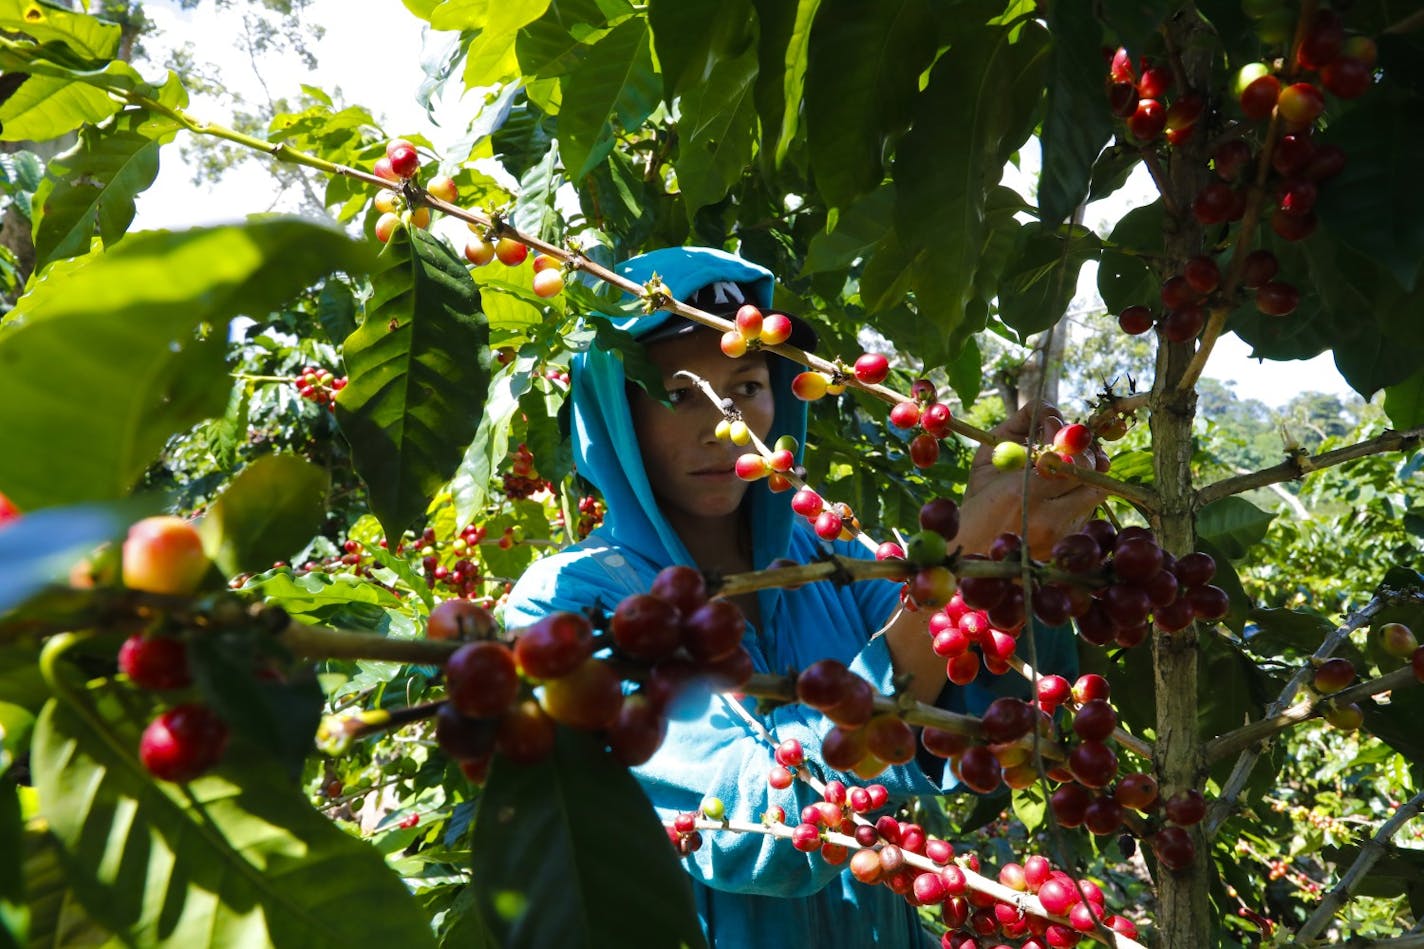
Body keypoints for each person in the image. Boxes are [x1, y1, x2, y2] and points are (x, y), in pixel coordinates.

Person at [503, 246, 1107, 947]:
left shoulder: (830, 558)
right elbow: (765, 823)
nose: (720, 419)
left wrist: (1008, 563)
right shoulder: (568, 609)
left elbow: (970, 714)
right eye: (677, 390)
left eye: (749, 385)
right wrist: (958, 566)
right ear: (613, 411)